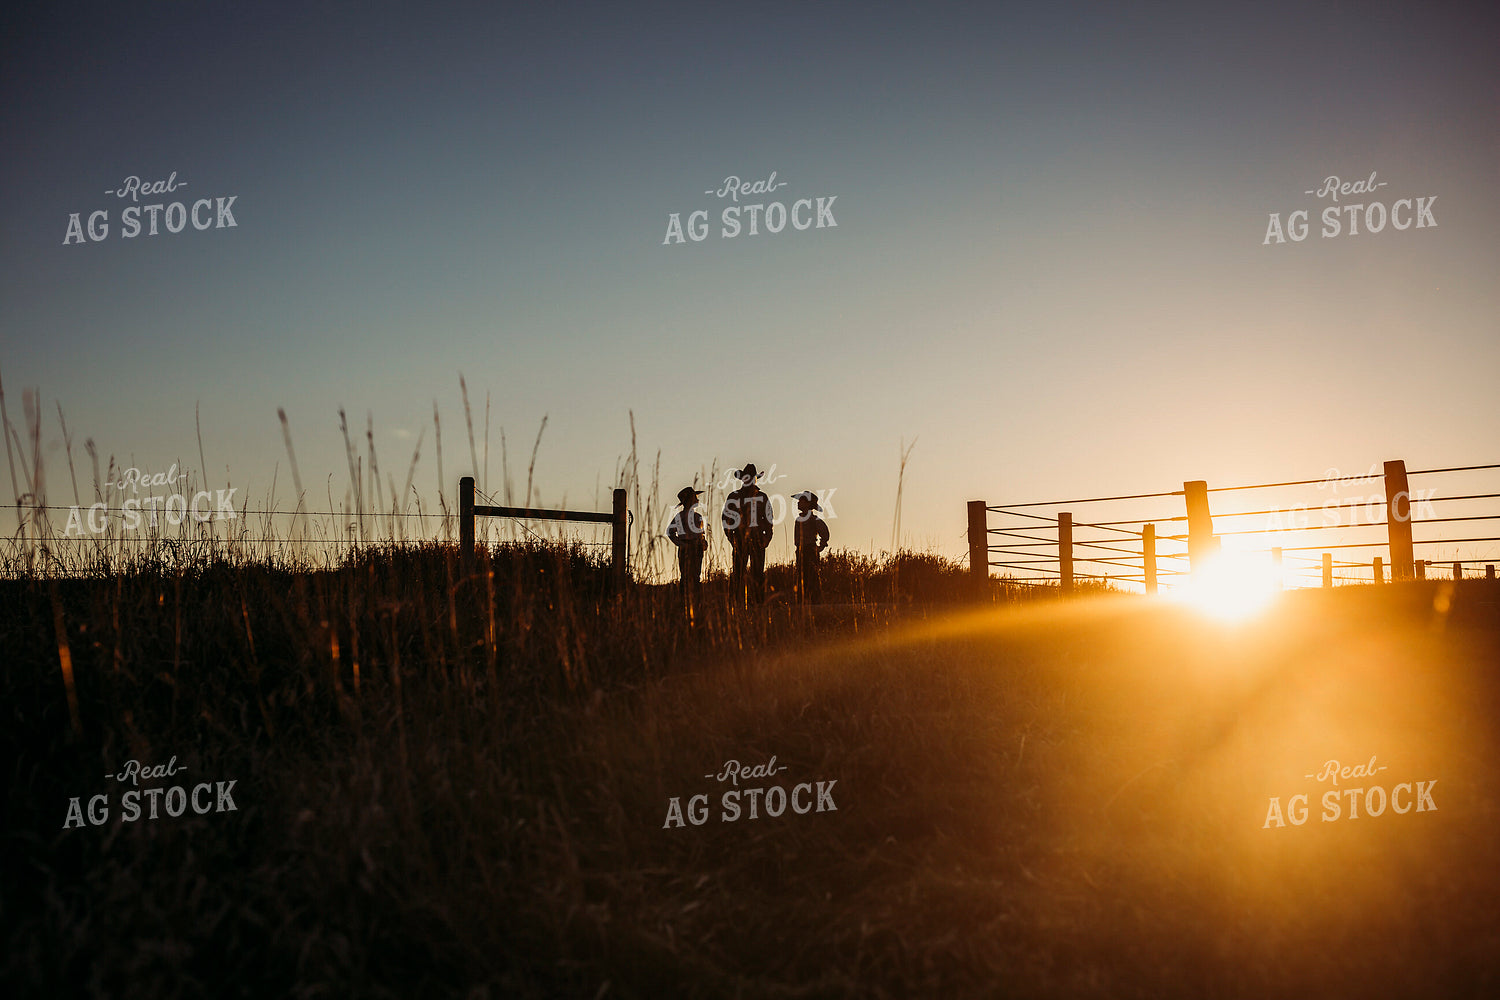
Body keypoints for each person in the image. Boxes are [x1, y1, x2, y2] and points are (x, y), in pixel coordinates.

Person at [721, 464, 774, 606]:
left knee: (757, 574)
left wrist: (766, 538)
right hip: (739, 539)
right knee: (738, 574)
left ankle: (758, 605)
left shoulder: (762, 497)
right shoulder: (734, 497)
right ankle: (736, 605)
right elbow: (726, 519)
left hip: (757, 540)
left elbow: (769, 519)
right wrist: (732, 538)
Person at [667, 486, 707, 614]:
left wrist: (703, 542)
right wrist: (681, 544)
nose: (697, 499)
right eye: (695, 497)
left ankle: (695, 603)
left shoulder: (698, 517)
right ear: (689, 500)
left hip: (696, 548)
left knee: (695, 576)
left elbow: (702, 533)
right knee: (686, 577)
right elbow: (670, 532)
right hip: (687, 548)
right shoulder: (681, 517)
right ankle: (685, 604)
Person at [792, 491, 830, 604]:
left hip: (810, 549)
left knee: (812, 576)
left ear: (808, 504)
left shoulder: (813, 519)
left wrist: (821, 546)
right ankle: (802, 600)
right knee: (801, 576)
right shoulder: (799, 519)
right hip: (800, 550)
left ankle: (815, 601)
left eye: (801, 501)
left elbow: (824, 532)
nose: (798, 503)